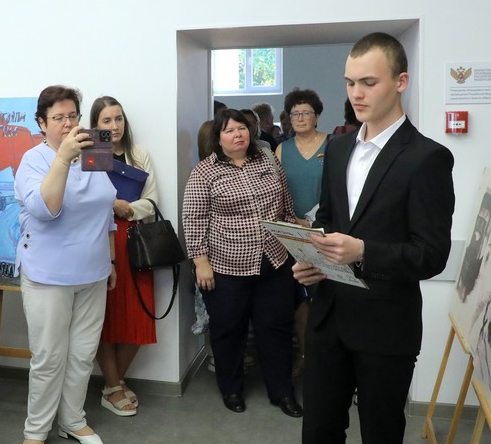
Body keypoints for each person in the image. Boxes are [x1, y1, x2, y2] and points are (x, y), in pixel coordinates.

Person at [279, 32, 454, 444]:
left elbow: (431, 254)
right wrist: (313, 259)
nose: (357, 93)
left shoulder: (427, 158)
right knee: (319, 433)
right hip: (330, 314)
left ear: (401, 82)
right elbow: (330, 221)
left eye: (369, 82)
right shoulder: (337, 148)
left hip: (385, 324)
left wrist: (363, 251)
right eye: (350, 82)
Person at [14, 85, 116, 444]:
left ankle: (73, 420)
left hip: (93, 271)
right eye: (58, 118)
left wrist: (111, 260)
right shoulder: (33, 160)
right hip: (48, 274)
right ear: (42, 124)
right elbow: (46, 209)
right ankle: (36, 430)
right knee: (48, 356)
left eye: (73, 116)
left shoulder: (95, 151)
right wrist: (63, 158)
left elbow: (105, 207)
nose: (68, 123)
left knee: (83, 353)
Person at [182, 108, 302, 417]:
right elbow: (193, 219)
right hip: (227, 266)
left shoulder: (268, 161)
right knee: (228, 330)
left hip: (274, 261)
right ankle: (231, 389)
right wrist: (200, 262)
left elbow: (286, 206)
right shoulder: (204, 172)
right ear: (218, 138)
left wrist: (299, 238)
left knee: (276, 328)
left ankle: (282, 392)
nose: (238, 134)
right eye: (229, 130)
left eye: (242, 128)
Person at [90, 96, 158, 416]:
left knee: (140, 313)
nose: (114, 126)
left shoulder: (139, 154)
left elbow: (153, 200)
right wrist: (110, 204)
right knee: (104, 316)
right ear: (95, 125)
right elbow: (85, 200)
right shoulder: (91, 154)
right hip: (100, 241)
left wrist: (126, 208)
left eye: (118, 119)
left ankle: (113, 384)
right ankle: (114, 386)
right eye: (106, 120)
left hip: (134, 241)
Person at [276, 89, 330, 377]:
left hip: (325, 232)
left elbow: (339, 190)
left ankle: (327, 359)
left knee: (326, 297)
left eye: (305, 112)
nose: (299, 118)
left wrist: (312, 221)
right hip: (291, 235)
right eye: (294, 113)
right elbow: (276, 190)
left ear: (317, 115)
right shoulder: (282, 150)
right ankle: (305, 355)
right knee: (298, 299)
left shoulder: (333, 145)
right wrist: (292, 222)